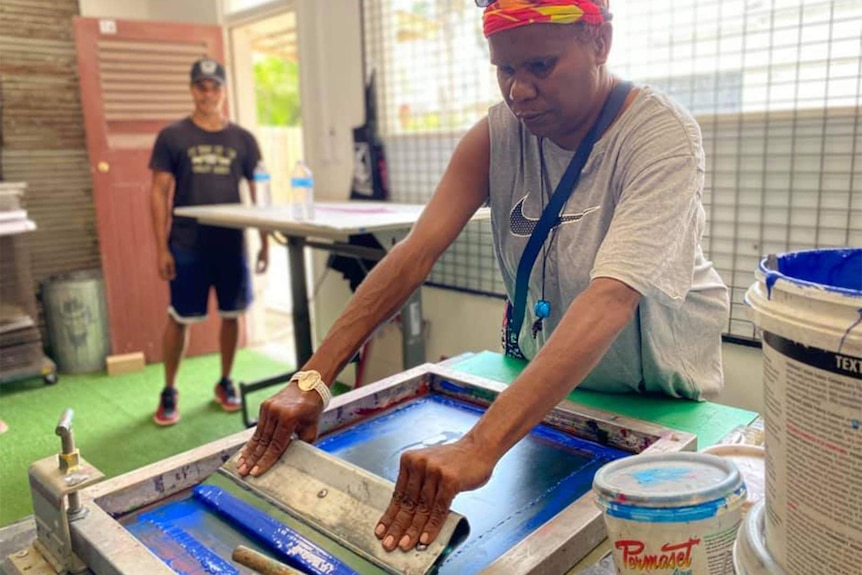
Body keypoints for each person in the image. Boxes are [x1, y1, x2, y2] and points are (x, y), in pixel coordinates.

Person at [238, 0, 728, 553]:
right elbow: (414, 253)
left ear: (600, 42)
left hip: (655, 394)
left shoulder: (658, 137)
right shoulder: (498, 135)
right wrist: (314, 377)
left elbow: (611, 299)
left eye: (541, 66)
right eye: (505, 69)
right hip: (545, 389)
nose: (518, 90)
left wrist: (480, 445)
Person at [149, 58, 269, 426]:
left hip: (231, 243)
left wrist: (265, 240)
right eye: (201, 86)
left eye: (214, 86)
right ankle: (169, 390)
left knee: (232, 315)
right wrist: (161, 247)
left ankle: (225, 381)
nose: (208, 93)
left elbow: (259, 190)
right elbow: (157, 192)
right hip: (187, 244)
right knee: (180, 317)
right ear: (192, 90)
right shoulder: (172, 136)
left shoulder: (243, 139)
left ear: (223, 91)